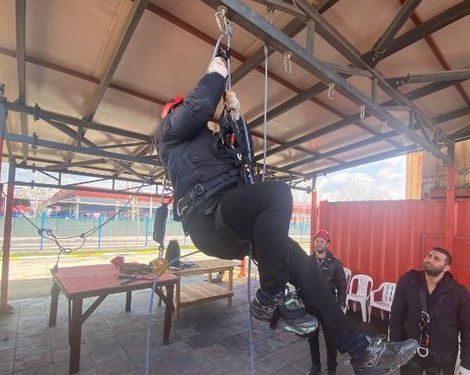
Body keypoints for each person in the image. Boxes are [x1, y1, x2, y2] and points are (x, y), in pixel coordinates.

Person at [157, 51, 418, 374]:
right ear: (174, 112)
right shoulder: (169, 132)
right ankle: (270, 295)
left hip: (230, 218)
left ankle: (359, 351)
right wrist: (217, 69)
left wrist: (237, 120)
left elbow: (244, 161)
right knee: (277, 194)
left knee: (306, 269)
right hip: (209, 218)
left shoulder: (208, 143)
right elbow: (198, 105)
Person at [389, 247, 470, 375]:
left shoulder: (459, 292)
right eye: (429, 256)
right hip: (410, 354)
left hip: (443, 357)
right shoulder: (407, 282)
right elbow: (396, 317)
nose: (430, 260)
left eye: (436, 259)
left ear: (446, 268)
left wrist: (467, 365)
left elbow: (468, 330)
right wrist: (395, 348)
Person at [306, 229, 347, 375]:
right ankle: (315, 366)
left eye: (322, 241)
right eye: (317, 240)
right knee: (312, 338)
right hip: (312, 307)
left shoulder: (335, 264)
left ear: (328, 244)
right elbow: (303, 283)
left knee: (331, 340)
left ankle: (332, 369)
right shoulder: (308, 262)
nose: (319, 243)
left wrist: (341, 304)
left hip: (329, 309)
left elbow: (342, 285)